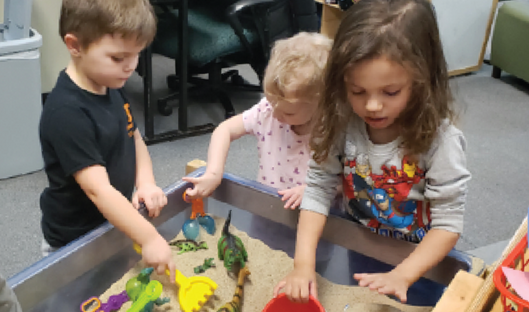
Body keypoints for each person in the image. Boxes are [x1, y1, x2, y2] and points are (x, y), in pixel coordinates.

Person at [274, 0, 471, 304]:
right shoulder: (343, 123)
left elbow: (448, 225)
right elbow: (318, 187)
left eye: (390, 92)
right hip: (362, 244)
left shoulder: (441, 142)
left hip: (420, 261)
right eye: (358, 91)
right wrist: (303, 265)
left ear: (420, 80)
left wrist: (403, 275)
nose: (372, 106)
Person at [39, 0, 175, 282]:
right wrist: (149, 237)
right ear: (75, 46)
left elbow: (133, 135)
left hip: (111, 224)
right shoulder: (67, 114)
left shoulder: (109, 83)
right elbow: (98, 190)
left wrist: (146, 181)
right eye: (117, 58)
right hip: (73, 240)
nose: (130, 67)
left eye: (136, 55)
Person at [183, 32, 334, 259]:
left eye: (288, 111)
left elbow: (349, 178)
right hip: (267, 213)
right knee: (263, 257)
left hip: (315, 225)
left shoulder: (333, 130)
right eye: (271, 101)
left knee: (311, 267)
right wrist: (214, 172)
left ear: (322, 102)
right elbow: (224, 130)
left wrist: (314, 191)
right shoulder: (269, 110)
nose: (276, 113)